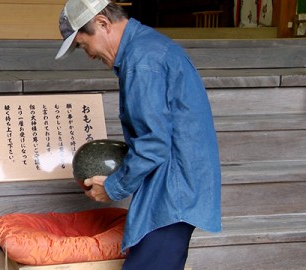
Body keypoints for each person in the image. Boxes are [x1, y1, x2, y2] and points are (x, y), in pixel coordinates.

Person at [55, 0, 222, 269]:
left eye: (84, 44)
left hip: (172, 191)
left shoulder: (142, 61)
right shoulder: (147, 48)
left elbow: (153, 143)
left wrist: (113, 186)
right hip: (175, 187)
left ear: (102, 23)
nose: (89, 55)